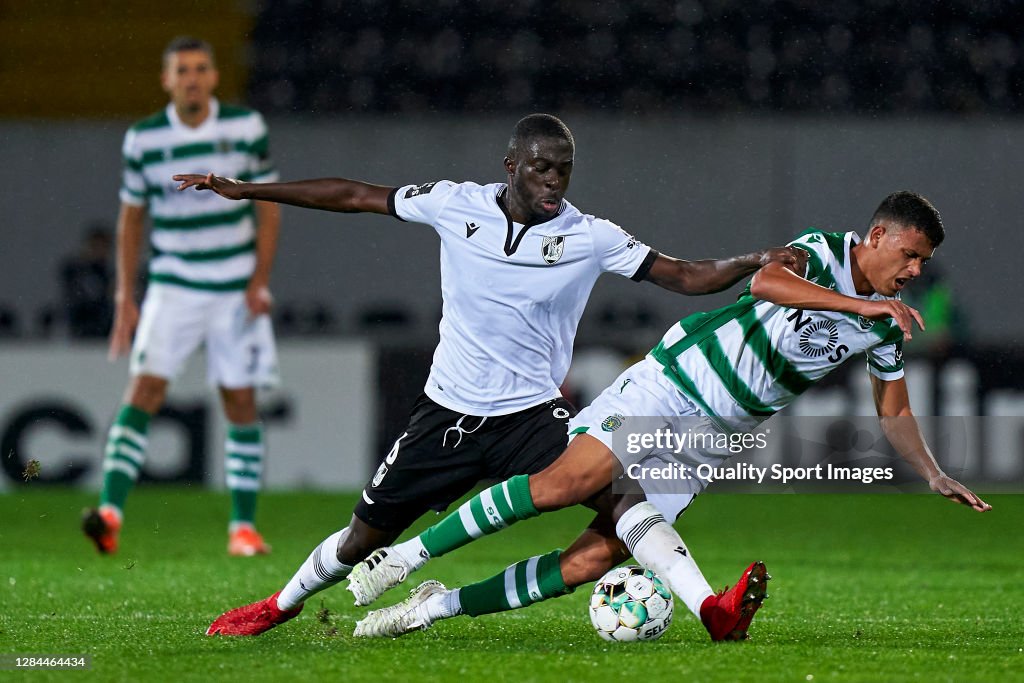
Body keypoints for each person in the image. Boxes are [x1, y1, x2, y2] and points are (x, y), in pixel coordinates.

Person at [175, 113, 803, 636]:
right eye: (541, 167)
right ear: (511, 166)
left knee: (622, 502)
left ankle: (712, 611)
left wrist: (753, 259)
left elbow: (685, 275)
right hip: (444, 415)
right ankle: (279, 606)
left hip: (530, 418)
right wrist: (249, 191)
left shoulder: (590, 236)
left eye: (564, 169)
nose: (554, 180)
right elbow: (356, 196)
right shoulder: (456, 204)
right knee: (359, 540)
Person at [347, 191, 992, 641]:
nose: (914, 271)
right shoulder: (823, 252)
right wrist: (861, 307)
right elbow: (765, 283)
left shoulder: (886, 326)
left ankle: (435, 608)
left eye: (923, 263)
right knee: (565, 483)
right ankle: (406, 557)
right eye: (909, 255)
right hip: (670, 387)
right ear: (876, 237)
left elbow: (894, 409)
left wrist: (932, 473)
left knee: (590, 562)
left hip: (713, 437)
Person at [81, 36, 282, 557]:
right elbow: (131, 218)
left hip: (234, 288)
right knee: (144, 389)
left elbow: (268, 205)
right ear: (166, 80)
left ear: (213, 76)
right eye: (182, 70)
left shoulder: (246, 127)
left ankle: (243, 529)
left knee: (240, 399)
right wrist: (125, 296)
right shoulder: (143, 139)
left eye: (200, 68)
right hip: (173, 286)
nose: (192, 78)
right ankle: (109, 514)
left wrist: (259, 280)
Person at [59, 224, 114, 338]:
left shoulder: (108, 273)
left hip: (103, 330)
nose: (99, 251)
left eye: (103, 247)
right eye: (95, 246)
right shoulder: (74, 270)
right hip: (79, 328)